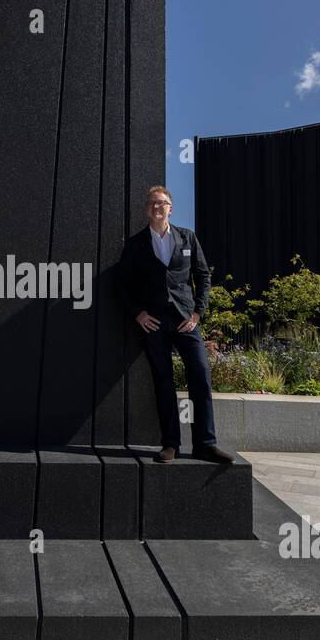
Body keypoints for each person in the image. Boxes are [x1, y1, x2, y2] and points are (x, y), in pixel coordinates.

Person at [120, 185, 235, 464]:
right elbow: (122, 285)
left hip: (186, 320)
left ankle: (205, 444)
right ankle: (170, 443)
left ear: (171, 208)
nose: (157, 207)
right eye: (152, 203)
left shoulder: (188, 238)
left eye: (162, 203)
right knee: (163, 382)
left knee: (200, 376)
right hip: (155, 323)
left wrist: (197, 314)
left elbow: (203, 276)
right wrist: (138, 314)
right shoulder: (135, 245)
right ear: (147, 210)